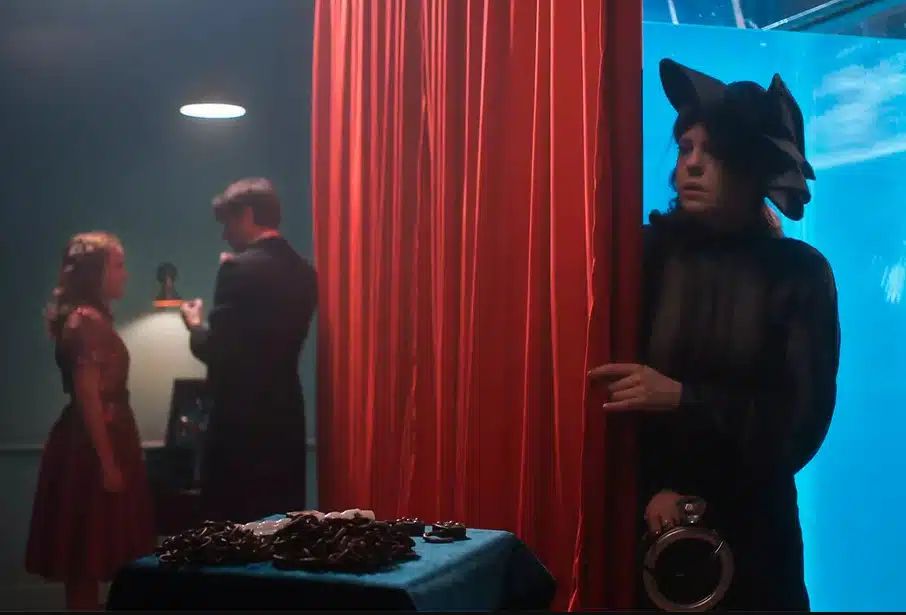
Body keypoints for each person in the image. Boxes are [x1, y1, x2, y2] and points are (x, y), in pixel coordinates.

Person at [588, 59, 840, 610]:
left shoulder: (800, 273)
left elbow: (800, 422)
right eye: (685, 148)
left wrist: (683, 399)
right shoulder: (643, 258)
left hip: (756, 536)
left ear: (751, 168)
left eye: (714, 152)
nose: (692, 165)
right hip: (645, 532)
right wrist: (651, 489)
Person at [26, 232, 155, 611]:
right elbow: (88, 398)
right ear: (95, 272)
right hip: (93, 443)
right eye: (118, 266)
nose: (125, 274)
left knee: (94, 555)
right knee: (85, 556)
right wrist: (108, 463)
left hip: (103, 437)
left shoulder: (90, 319)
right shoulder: (85, 322)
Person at [180, 177, 318, 523]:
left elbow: (218, 350)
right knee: (280, 524)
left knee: (232, 526)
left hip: (239, 423)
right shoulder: (305, 272)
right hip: (285, 416)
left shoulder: (237, 269)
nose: (225, 234)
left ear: (247, 214)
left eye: (228, 222)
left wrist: (194, 325)